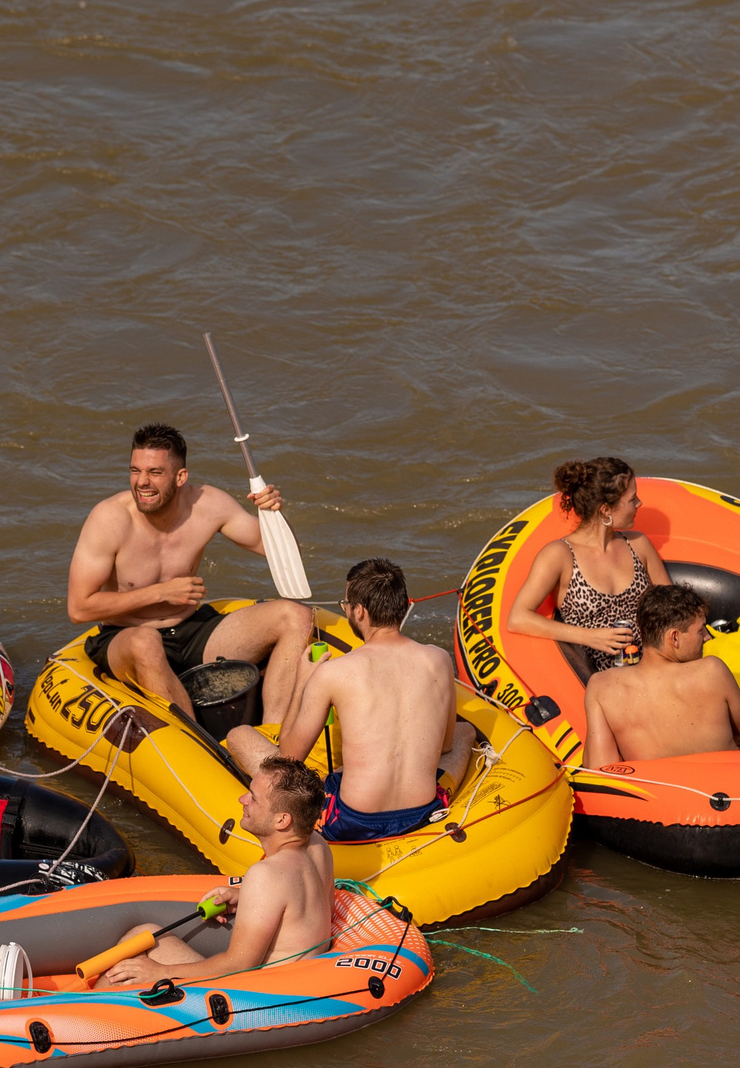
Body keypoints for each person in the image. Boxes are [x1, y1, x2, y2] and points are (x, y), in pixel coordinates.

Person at [66, 423, 317, 721]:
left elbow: (284, 553)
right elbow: (78, 608)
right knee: (145, 643)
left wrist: (273, 514)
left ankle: (273, 735)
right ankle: (198, 748)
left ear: (181, 476)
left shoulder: (208, 504)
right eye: (135, 471)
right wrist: (161, 592)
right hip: (126, 636)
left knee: (296, 616)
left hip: (191, 631)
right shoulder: (109, 519)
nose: (142, 482)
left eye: (155, 473)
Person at [227, 558, 472, 843]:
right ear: (402, 606)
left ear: (359, 611)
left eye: (346, 605)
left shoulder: (335, 672)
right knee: (465, 732)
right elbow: (444, 746)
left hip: (354, 820)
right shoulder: (439, 659)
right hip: (421, 812)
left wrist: (303, 682)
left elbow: (289, 761)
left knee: (239, 735)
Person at [94, 756, 337, 990]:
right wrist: (246, 898)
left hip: (257, 995)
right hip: (298, 982)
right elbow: (302, 907)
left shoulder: (266, 874)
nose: (243, 799)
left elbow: (239, 965)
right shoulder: (317, 847)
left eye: (254, 798)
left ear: (282, 820)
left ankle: (83, 1010)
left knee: (141, 936)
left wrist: (160, 972)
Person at [506, 457, 671, 674]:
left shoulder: (637, 544)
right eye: (632, 499)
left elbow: (672, 605)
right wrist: (591, 636)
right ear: (605, 510)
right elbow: (518, 618)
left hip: (655, 664)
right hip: (603, 676)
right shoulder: (560, 555)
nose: (639, 503)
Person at [583, 584, 740, 766]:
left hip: (662, 792)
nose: (707, 637)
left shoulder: (602, 688)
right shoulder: (712, 671)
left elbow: (601, 769)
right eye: (700, 630)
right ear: (675, 638)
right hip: (722, 787)